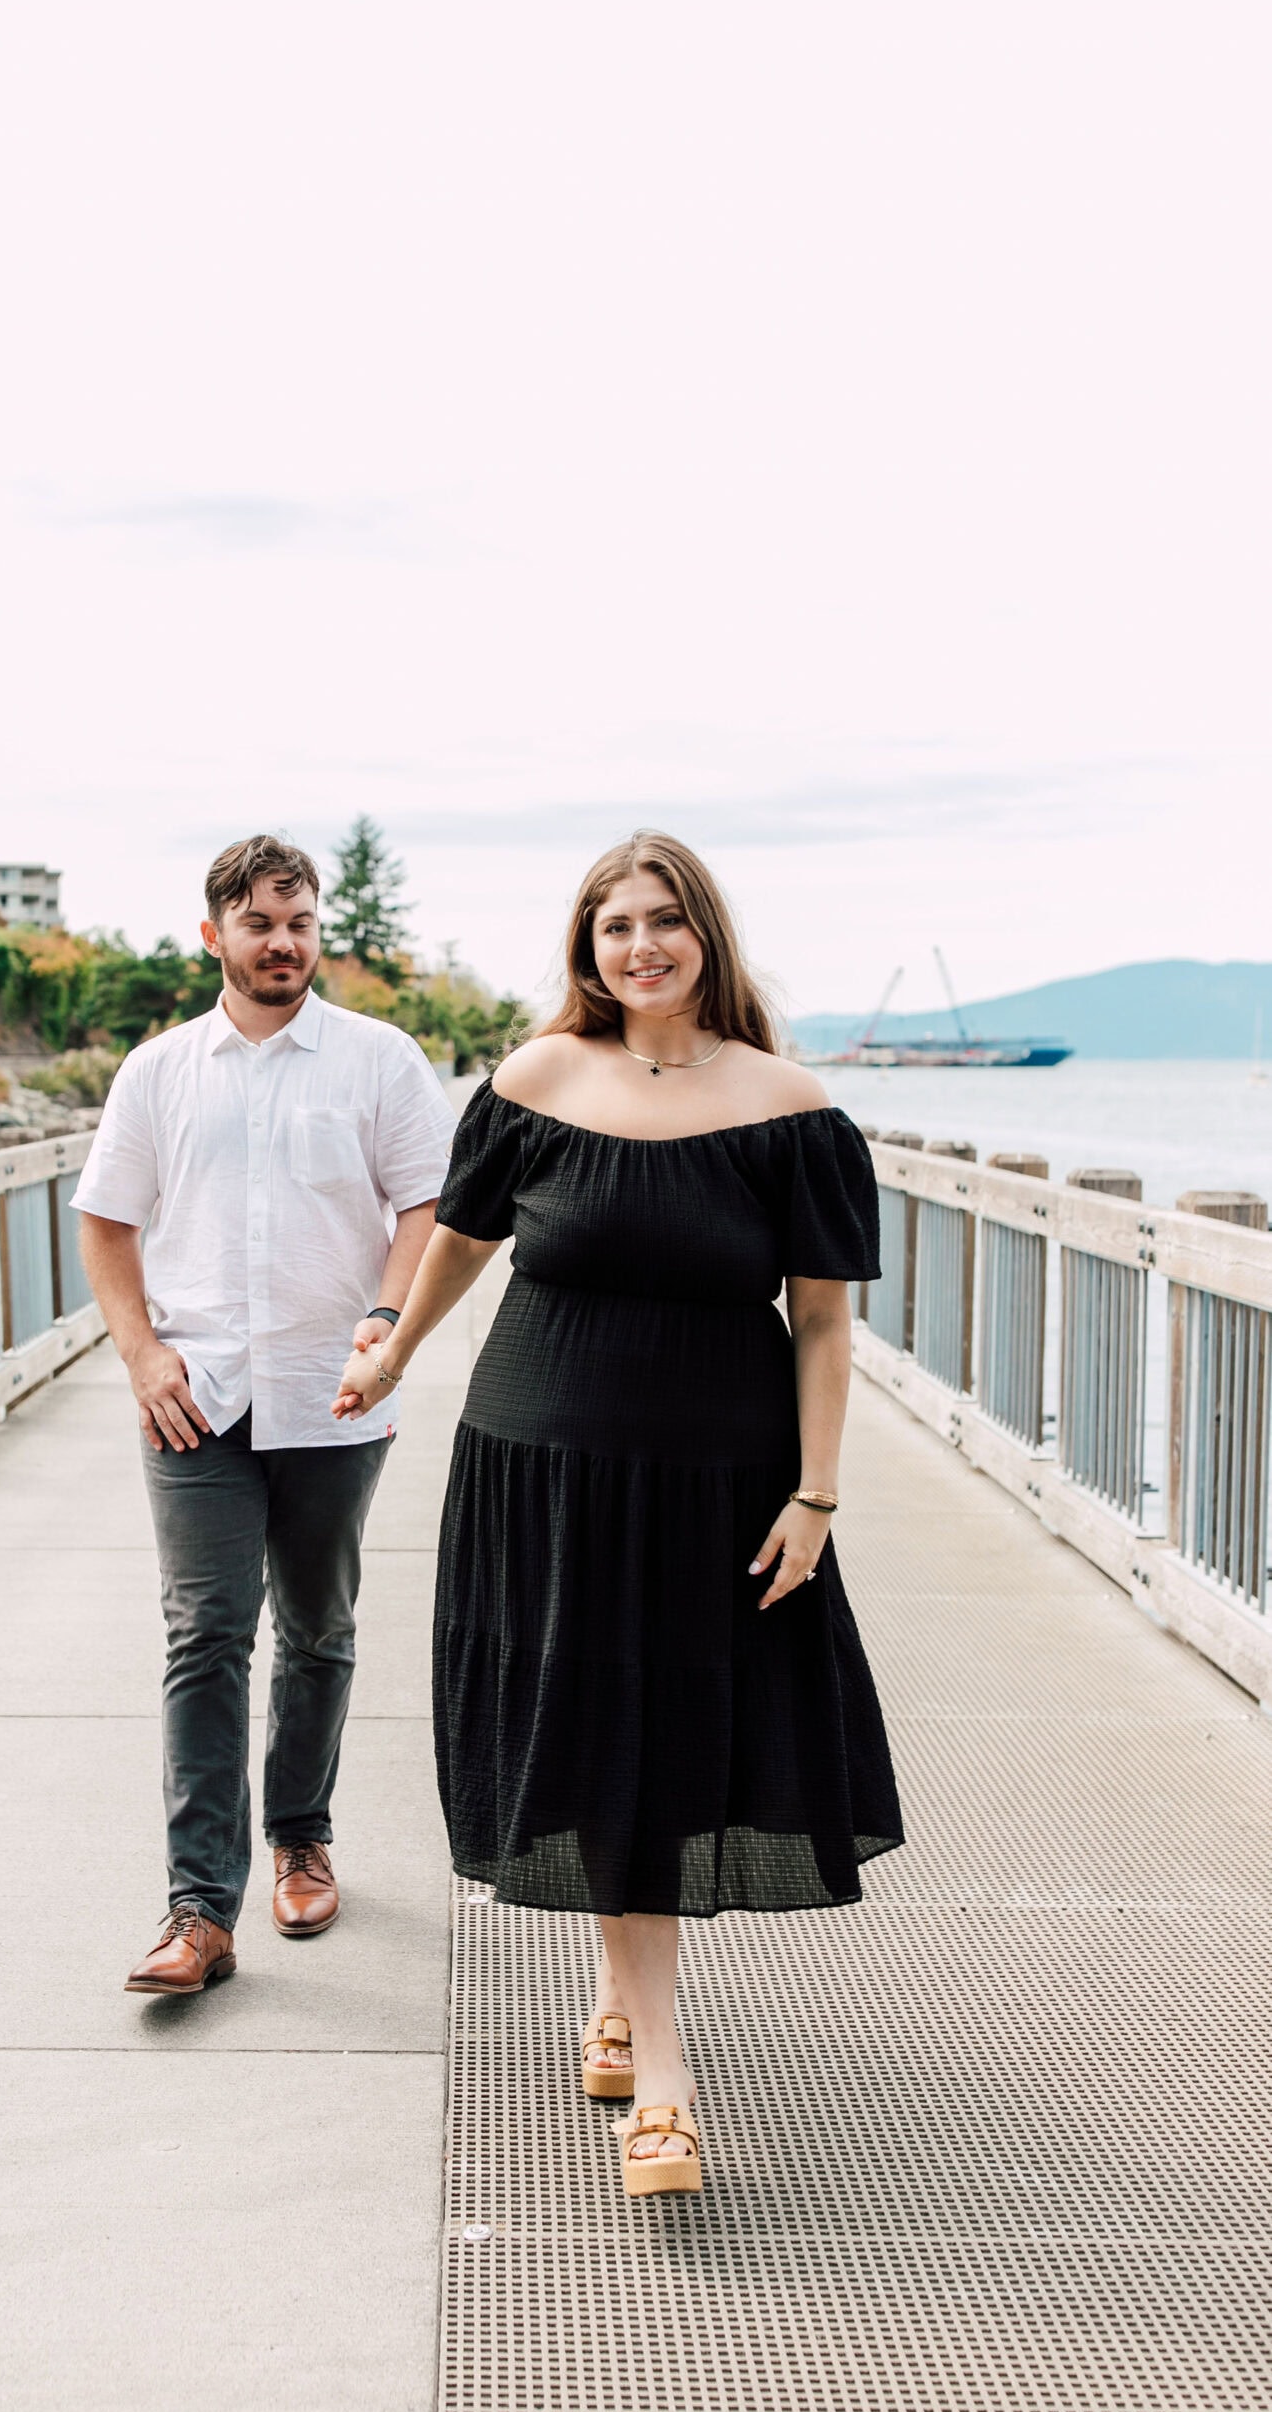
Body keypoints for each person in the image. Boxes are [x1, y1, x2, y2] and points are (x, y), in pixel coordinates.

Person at [335, 829, 902, 2198]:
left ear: (703, 931)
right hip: (538, 1468)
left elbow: (820, 1325)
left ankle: (626, 2015)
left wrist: (815, 1494)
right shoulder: (531, 1080)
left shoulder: (789, 1109)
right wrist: (393, 1350)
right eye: (610, 929)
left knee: (664, 1740)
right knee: (595, 1730)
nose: (636, 948)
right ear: (584, 950)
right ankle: (660, 2069)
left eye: (661, 922)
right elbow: (463, 1238)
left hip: (716, 1479)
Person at [75, 832, 456, 1997]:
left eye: (298, 923)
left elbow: (428, 1204)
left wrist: (390, 1322)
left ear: (315, 934)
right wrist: (140, 1355)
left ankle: (301, 1832)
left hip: (333, 1391)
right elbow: (107, 1222)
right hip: (196, 1401)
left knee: (321, 1629)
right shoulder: (158, 1072)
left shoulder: (381, 1062)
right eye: (258, 923)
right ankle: (198, 1910)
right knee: (205, 1636)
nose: (281, 942)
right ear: (215, 936)